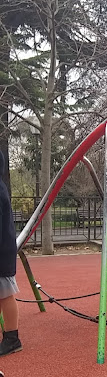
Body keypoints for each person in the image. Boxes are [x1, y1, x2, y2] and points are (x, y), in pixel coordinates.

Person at [0, 150, 22, 357]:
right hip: (4, 249)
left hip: (2, 251)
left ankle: (12, 337)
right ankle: (10, 336)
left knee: (6, 295)